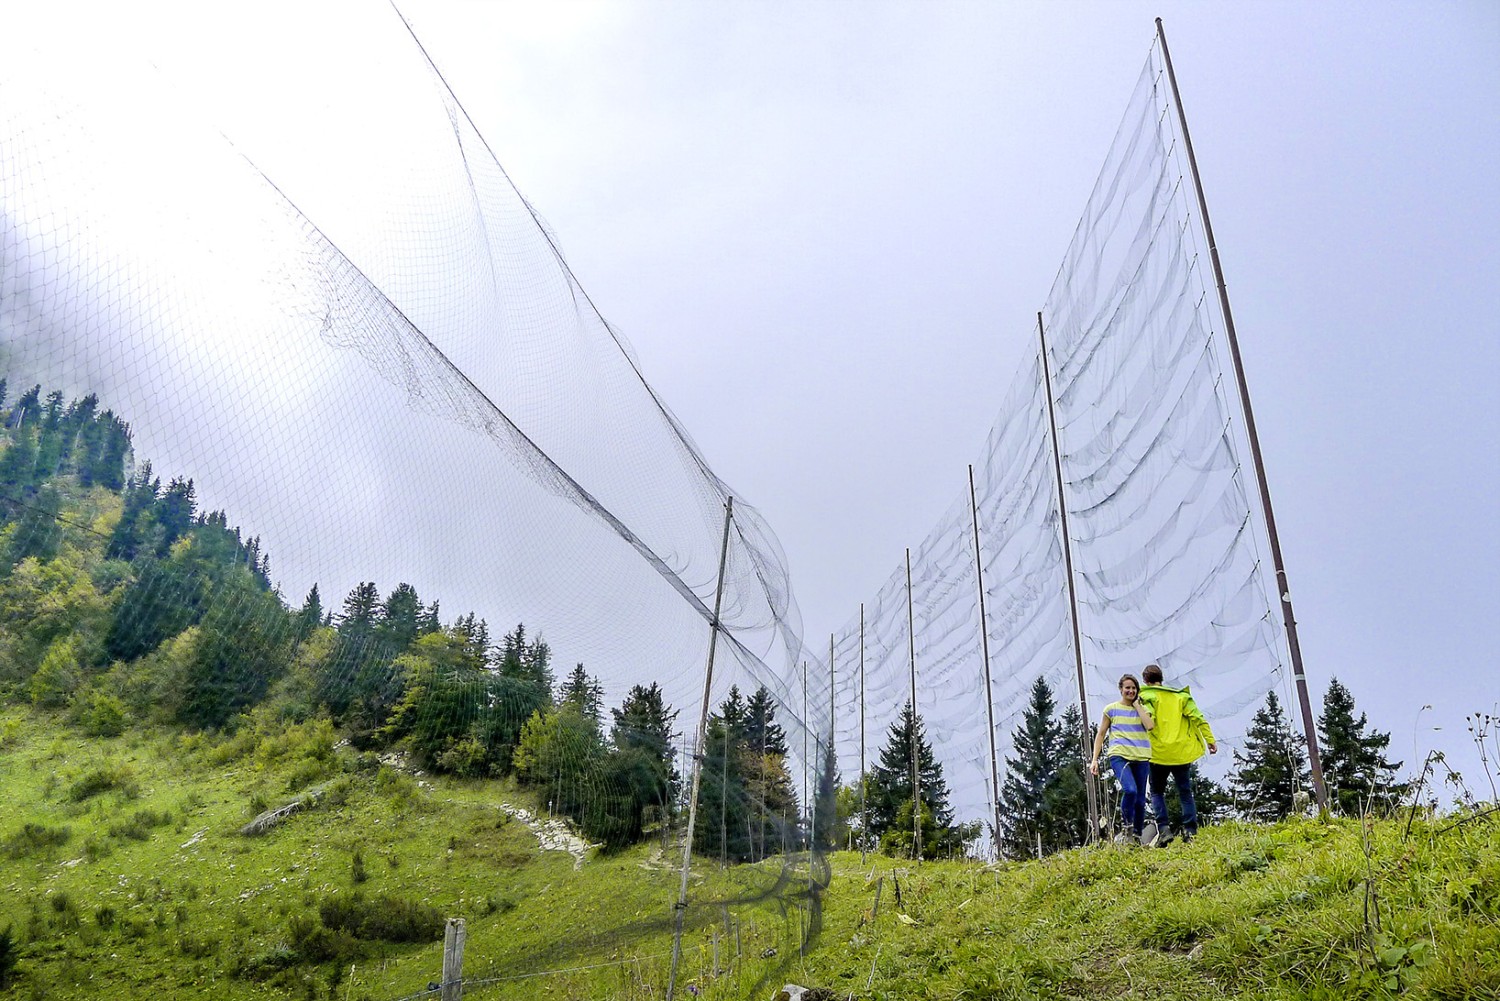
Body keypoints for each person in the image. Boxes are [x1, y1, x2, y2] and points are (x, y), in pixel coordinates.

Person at [1138, 663, 1217, 845]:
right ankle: (1190, 831)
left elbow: (1149, 719)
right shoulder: (1181, 697)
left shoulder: (1145, 697)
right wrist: (1210, 740)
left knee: (1157, 792)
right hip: (1181, 752)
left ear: (1145, 680)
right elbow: (1198, 718)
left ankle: (1164, 829)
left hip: (1158, 753)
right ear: (1161, 678)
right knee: (1185, 792)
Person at [1089, 674, 1154, 845]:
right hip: (1120, 755)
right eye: (1127, 688)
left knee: (1140, 799)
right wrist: (1094, 760)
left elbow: (1150, 726)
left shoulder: (1143, 710)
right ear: (1121, 689)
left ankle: (1138, 836)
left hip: (1141, 755)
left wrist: (1138, 706)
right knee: (1130, 790)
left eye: (1133, 688)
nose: (1130, 691)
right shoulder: (1111, 709)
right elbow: (1101, 734)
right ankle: (1127, 827)